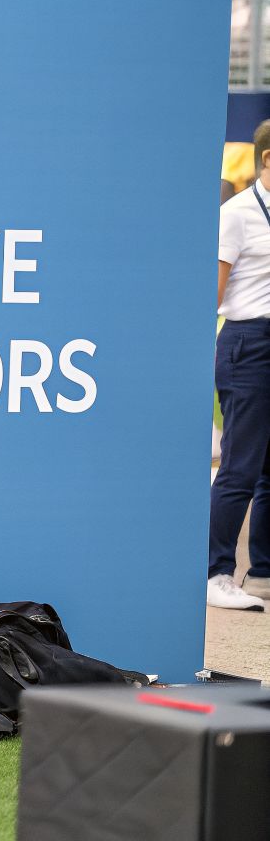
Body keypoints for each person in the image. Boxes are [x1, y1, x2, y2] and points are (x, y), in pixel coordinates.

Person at [213, 125, 270, 611]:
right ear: (268, 160)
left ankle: (265, 572)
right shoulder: (235, 215)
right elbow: (214, 292)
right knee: (241, 467)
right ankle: (216, 573)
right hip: (249, 342)